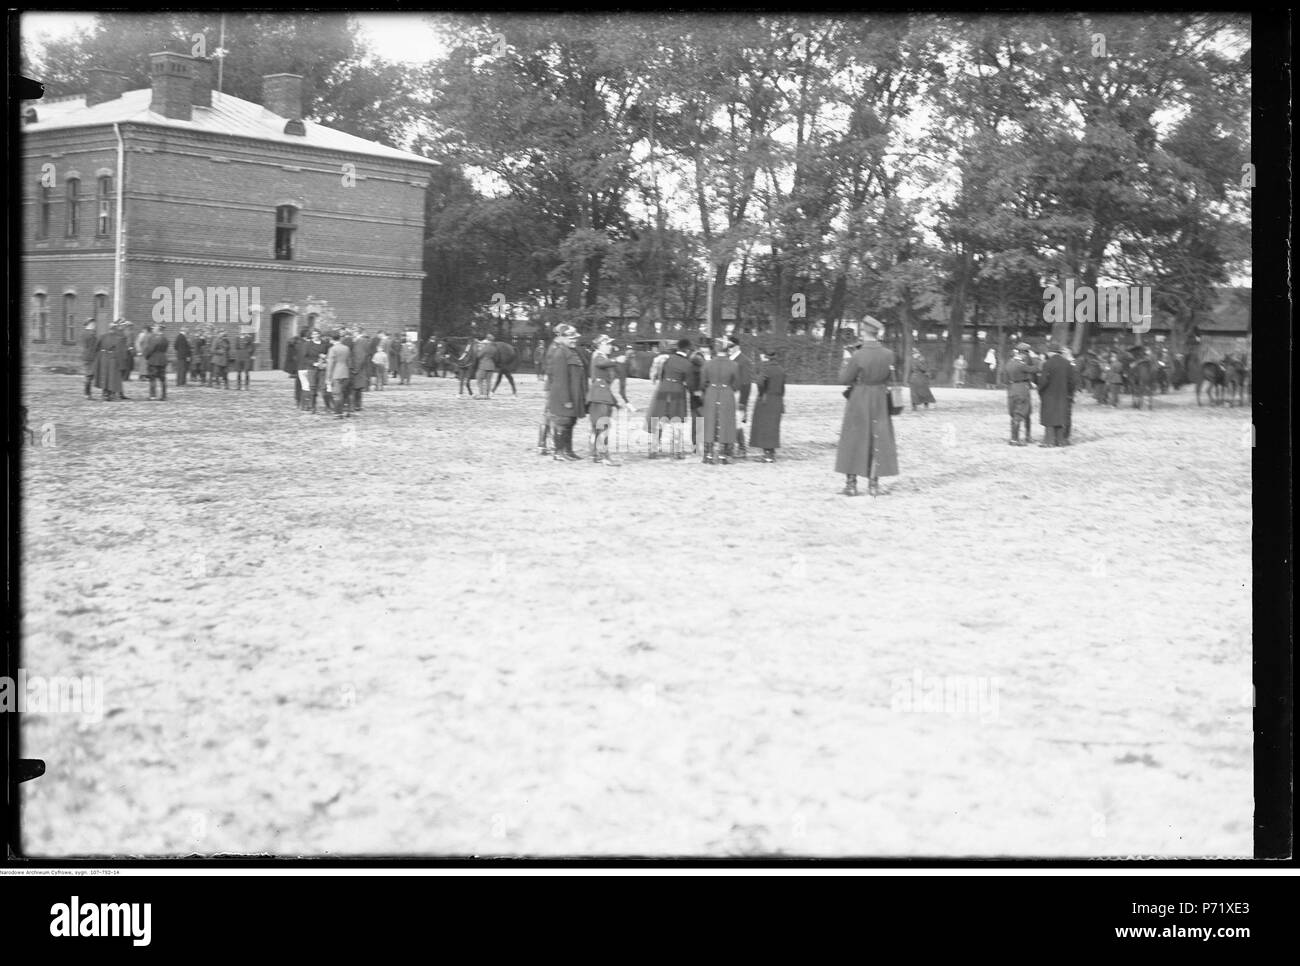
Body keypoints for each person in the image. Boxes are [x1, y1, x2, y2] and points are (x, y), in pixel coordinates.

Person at [834, 316, 898, 496]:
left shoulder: (857, 354)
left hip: (860, 398)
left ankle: (851, 484)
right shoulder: (888, 354)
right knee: (877, 438)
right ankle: (873, 484)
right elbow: (890, 378)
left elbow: (844, 379)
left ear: (863, 331)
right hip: (879, 399)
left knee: (853, 439)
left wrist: (846, 360)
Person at [546, 324, 586, 461]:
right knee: (562, 423)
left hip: (574, 394)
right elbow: (560, 380)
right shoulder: (560, 354)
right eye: (570, 338)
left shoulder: (572, 352)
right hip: (564, 397)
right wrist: (566, 400)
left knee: (570, 422)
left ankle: (568, 451)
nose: (574, 340)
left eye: (575, 337)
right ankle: (558, 452)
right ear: (562, 338)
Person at [647, 339, 692, 459]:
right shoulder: (687, 363)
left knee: (660, 419)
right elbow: (689, 382)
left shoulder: (667, 359)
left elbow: (660, 375)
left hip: (663, 389)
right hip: (677, 390)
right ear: (687, 350)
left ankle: (653, 449)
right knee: (676, 421)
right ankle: (676, 451)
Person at [700, 337, 740, 465]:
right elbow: (737, 384)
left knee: (710, 422)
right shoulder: (734, 364)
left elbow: (702, 383)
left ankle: (709, 454)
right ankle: (724, 455)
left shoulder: (707, 364)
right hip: (726, 393)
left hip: (711, 393)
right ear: (727, 349)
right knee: (726, 423)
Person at [586, 334, 624, 466]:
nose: (610, 347)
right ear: (600, 344)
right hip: (600, 396)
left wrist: (614, 401)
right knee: (603, 426)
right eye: (607, 344)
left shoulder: (600, 356)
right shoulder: (598, 356)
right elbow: (602, 363)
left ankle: (595, 454)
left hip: (600, 395)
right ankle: (603, 456)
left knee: (597, 426)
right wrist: (616, 360)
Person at [749, 348, 786, 462]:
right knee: (773, 426)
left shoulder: (766, 368)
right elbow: (782, 387)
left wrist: (762, 392)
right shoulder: (781, 369)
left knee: (764, 426)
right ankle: (771, 452)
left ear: (765, 357)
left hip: (766, 399)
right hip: (778, 399)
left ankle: (767, 454)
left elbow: (760, 382)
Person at [1037, 343, 1077, 447]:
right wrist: (1070, 393)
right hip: (1063, 394)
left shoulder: (1047, 363)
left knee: (1049, 417)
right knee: (1060, 416)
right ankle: (1061, 440)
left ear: (1050, 352)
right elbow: (1072, 381)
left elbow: (1043, 381)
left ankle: (1049, 441)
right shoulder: (1067, 363)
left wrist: (1040, 391)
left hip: (1049, 394)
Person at [727, 335, 755, 459]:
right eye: (727, 346)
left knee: (737, 422)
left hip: (738, 395)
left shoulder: (744, 361)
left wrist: (743, 401)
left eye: (731, 346)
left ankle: (742, 447)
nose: (729, 348)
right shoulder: (727, 359)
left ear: (737, 346)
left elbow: (746, 383)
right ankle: (730, 446)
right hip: (727, 394)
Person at [1004, 343, 1037, 445]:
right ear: (1025, 353)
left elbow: (1005, 379)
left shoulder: (1009, 363)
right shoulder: (1022, 363)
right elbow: (1035, 369)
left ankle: (1014, 437)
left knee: (1014, 414)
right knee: (1021, 413)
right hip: (1022, 389)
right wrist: (1036, 358)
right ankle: (1017, 439)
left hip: (1011, 389)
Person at [93, 320, 128, 401]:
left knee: (105, 376)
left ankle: (104, 393)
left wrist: (100, 356)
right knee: (112, 377)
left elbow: (96, 348)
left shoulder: (102, 336)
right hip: (113, 359)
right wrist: (122, 364)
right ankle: (110, 394)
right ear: (115, 328)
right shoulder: (118, 338)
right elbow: (120, 352)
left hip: (103, 359)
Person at [327, 331, 353, 417]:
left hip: (336, 373)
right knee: (345, 393)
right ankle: (347, 410)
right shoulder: (346, 348)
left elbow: (330, 364)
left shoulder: (332, 349)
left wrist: (328, 377)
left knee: (337, 394)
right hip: (345, 372)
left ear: (331, 339)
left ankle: (338, 413)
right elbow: (349, 361)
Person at [145, 323, 170, 401]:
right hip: (162, 359)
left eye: (154, 328)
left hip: (154, 360)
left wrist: (147, 356)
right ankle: (164, 395)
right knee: (163, 379)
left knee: (152, 378)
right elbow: (165, 349)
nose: (153, 329)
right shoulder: (165, 338)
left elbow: (150, 349)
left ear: (157, 329)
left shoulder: (154, 338)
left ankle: (153, 395)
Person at [284, 330, 302, 408]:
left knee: (299, 384)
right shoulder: (299, 343)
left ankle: (298, 400)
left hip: (296, 364)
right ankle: (300, 400)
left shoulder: (293, 343)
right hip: (300, 365)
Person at [80, 320, 99, 398]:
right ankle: (87, 393)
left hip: (88, 356)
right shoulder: (89, 334)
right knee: (89, 375)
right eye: (93, 324)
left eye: (94, 324)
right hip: (90, 357)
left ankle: (87, 393)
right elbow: (92, 347)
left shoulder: (86, 333)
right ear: (89, 324)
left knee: (89, 375)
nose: (95, 325)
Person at [476, 334, 497, 399]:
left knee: (479, 379)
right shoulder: (494, 348)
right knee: (488, 381)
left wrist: (479, 349)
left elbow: (479, 356)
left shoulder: (485, 347)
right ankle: (487, 395)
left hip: (484, 366)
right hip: (491, 366)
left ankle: (481, 394)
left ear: (487, 339)